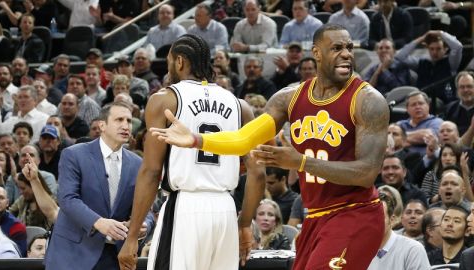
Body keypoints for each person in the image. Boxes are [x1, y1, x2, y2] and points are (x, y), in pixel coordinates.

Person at [150, 24, 390, 270]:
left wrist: (301, 162)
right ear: (317, 53)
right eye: (337, 48)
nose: (347, 54)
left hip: (355, 214)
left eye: (349, 48)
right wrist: (196, 140)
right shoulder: (289, 98)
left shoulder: (368, 100)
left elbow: (367, 173)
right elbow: (244, 140)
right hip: (316, 217)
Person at [118, 34, 266, 270]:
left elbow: (151, 171)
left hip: (185, 207)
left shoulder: (164, 100)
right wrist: (245, 224)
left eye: (168, 62)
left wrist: (132, 236)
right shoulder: (241, 106)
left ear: (179, 62)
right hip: (225, 210)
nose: (168, 68)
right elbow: (258, 174)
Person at [45, 101, 153, 270]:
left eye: (129, 121)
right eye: (119, 120)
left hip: (114, 256)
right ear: (102, 125)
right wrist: (98, 222)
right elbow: (67, 199)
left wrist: (143, 225)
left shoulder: (138, 164)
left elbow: (147, 208)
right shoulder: (74, 154)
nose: (126, 125)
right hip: (72, 254)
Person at [367, 193, 430, 270]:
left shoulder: (413, 249)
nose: (373, 221)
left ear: (392, 220)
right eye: (369, 217)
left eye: (379, 216)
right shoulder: (357, 249)